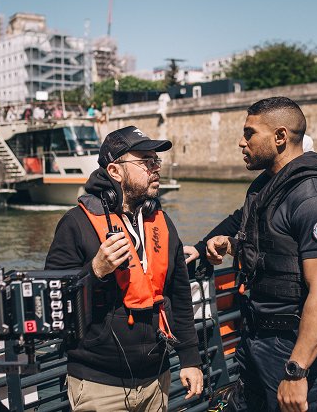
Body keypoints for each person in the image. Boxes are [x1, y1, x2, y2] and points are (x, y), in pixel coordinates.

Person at [183, 131, 317, 412]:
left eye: (249, 134)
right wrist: (220, 245)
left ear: (280, 137)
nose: (241, 142)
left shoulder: (313, 197)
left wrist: (296, 372)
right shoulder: (266, 188)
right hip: (258, 332)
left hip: (289, 338)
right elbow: (270, 247)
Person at [44, 125, 203, 411]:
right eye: (145, 161)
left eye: (157, 161)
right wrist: (95, 271)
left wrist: (190, 359)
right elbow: (52, 301)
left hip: (157, 378)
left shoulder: (163, 223)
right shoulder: (75, 223)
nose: (155, 168)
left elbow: (180, 295)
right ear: (115, 171)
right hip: (98, 384)